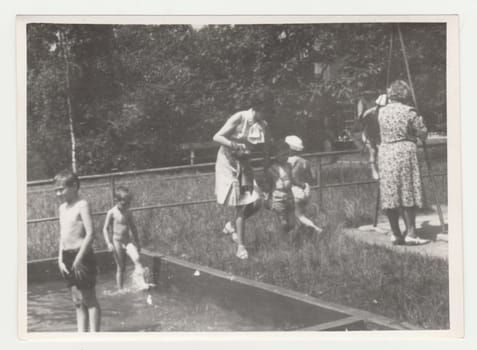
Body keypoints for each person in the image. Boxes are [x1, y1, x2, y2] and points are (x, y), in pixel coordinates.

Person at [213, 93, 271, 259]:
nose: (265, 116)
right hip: (228, 162)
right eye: (264, 111)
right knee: (242, 204)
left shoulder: (263, 125)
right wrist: (235, 145)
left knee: (257, 201)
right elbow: (216, 137)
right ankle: (241, 247)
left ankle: (231, 225)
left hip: (244, 163)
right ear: (256, 109)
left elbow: (266, 150)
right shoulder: (239, 117)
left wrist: (265, 172)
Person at [377, 80, 430, 245]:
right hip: (404, 151)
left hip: (386, 152)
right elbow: (422, 133)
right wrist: (421, 126)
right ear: (404, 94)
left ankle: (396, 233)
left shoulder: (381, 112)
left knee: (390, 192)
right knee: (407, 191)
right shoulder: (409, 111)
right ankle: (412, 233)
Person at [54, 169, 101, 332]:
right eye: (56, 190)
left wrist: (79, 258)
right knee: (77, 300)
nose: (58, 193)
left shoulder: (82, 204)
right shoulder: (62, 208)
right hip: (66, 257)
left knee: (89, 299)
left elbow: (90, 233)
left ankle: (94, 337)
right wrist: (60, 258)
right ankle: (81, 336)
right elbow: (62, 234)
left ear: (74, 186)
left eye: (62, 189)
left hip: (82, 256)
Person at [103, 186, 152, 290]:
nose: (127, 206)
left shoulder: (128, 212)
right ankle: (120, 289)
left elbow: (133, 227)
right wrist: (108, 243)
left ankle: (141, 283)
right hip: (117, 242)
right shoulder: (111, 213)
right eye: (125, 203)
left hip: (127, 241)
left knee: (137, 259)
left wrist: (138, 242)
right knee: (120, 267)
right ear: (117, 201)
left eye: (129, 203)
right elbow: (105, 228)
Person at [285, 135, 323, 235]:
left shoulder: (289, 161)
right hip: (306, 189)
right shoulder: (306, 161)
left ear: (290, 148)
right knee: (301, 213)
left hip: (295, 189)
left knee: (297, 215)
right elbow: (313, 178)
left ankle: (316, 229)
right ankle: (303, 232)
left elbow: (290, 177)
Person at [265, 140, 296, 242]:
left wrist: (299, 183)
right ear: (276, 155)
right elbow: (269, 185)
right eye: (283, 155)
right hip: (278, 198)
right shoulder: (272, 169)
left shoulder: (289, 166)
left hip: (289, 196)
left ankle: (285, 236)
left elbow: (292, 178)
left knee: (292, 223)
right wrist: (267, 198)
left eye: (287, 154)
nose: (285, 157)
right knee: (283, 222)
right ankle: (284, 241)